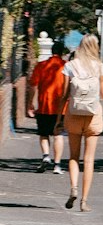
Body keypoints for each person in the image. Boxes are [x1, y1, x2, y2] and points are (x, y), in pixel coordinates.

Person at [59, 34, 103, 212]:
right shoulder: (100, 67)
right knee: (88, 160)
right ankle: (84, 201)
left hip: (73, 114)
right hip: (93, 115)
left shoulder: (70, 65)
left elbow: (65, 95)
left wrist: (59, 118)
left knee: (73, 156)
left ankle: (73, 187)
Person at [26, 39, 68, 176]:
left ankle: (45, 156)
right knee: (58, 134)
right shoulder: (67, 67)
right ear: (62, 52)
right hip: (61, 108)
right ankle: (57, 165)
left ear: (52, 51)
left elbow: (33, 86)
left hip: (44, 105)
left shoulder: (41, 65)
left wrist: (30, 103)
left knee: (43, 134)